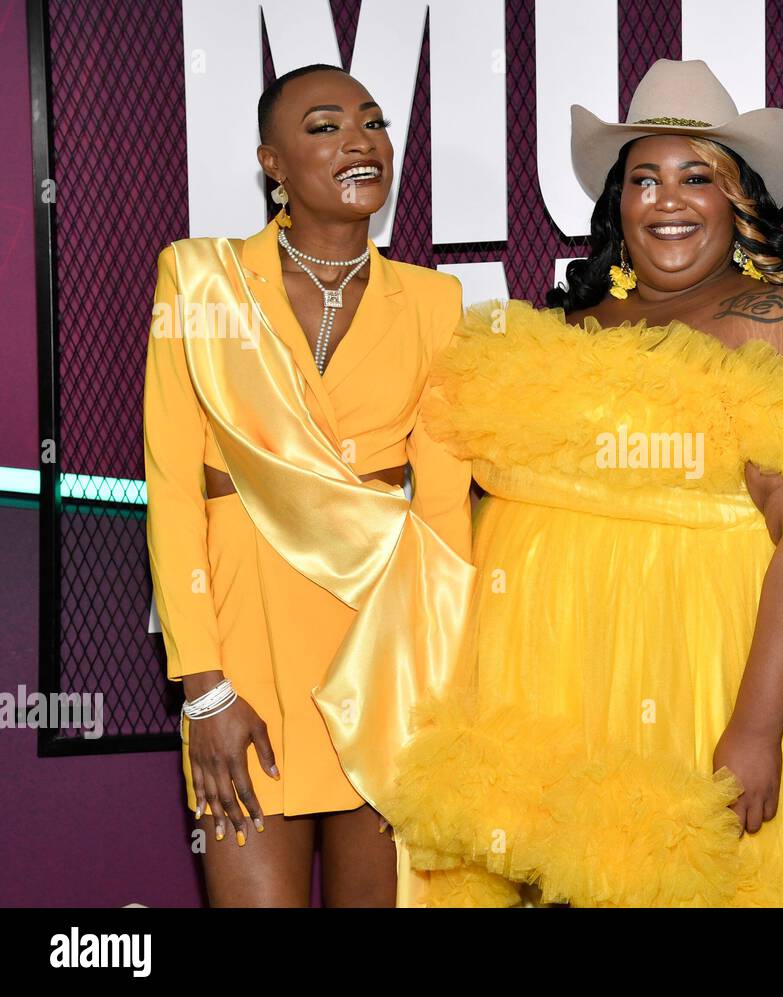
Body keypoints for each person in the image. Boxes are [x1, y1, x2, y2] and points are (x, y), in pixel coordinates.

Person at [382, 59, 783, 907]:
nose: (668, 201)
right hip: (550, 694)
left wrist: (756, 729)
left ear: (737, 204)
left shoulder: (774, 322)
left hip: (700, 683)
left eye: (696, 177)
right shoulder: (570, 328)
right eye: (644, 179)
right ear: (617, 203)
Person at [144, 64, 472, 906]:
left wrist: (447, 696)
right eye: (325, 127)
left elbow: (442, 511)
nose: (360, 142)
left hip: (385, 658)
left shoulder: (436, 302)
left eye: (373, 122)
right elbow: (175, 488)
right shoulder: (199, 279)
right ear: (272, 164)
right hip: (242, 667)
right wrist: (203, 689)